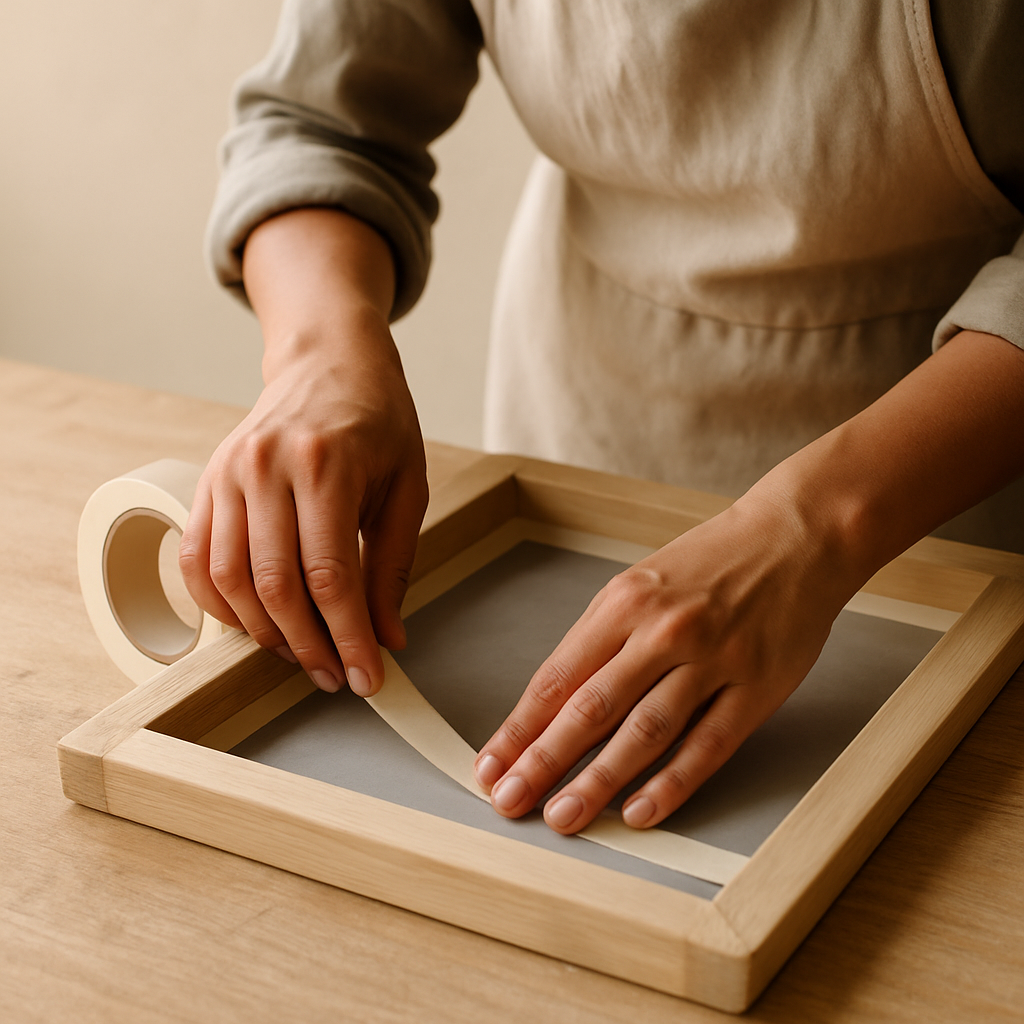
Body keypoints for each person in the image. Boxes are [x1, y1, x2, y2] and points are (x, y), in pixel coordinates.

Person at [182, 0, 1024, 837]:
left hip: (954, 466)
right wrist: (321, 351)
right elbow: (319, 124)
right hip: (583, 406)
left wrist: (817, 526)